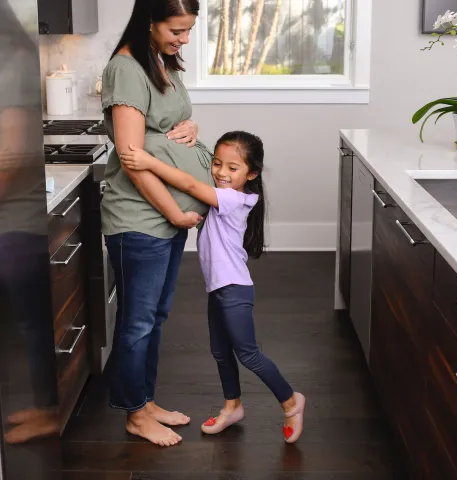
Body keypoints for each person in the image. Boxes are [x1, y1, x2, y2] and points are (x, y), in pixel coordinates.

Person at [120, 131, 306, 444]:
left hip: (234, 289)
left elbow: (191, 185)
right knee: (220, 352)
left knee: (248, 354)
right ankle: (232, 406)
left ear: (252, 173)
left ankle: (291, 401)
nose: (221, 172)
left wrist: (148, 161)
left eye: (233, 168)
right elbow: (197, 184)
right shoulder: (225, 195)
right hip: (218, 288)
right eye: (218, 164)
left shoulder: (235, 198)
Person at [100, 0, 215, 447]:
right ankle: (133, 413)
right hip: (140, 217)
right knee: (138, 321)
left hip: (167, 217)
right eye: (176, 31)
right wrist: (174, 212)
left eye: (188, 31)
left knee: (155, 315)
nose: (183, 40)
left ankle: (145, 401)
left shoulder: (161, 61)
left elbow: (167, 122)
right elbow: (132, 158)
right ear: (149, 21)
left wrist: (190, 126)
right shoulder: (126, 68)